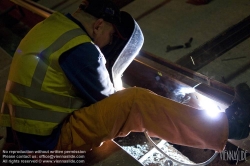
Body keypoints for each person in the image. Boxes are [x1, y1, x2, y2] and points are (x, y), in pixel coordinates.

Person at [0, 0, 250, 154]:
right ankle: (231, 126)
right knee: (135, 103)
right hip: (48, 149)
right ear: (98, 25)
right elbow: (112, 104)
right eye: (110, 34)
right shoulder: (81, 49)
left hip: (25, 141)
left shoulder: (52, 27)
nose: (108, 42)